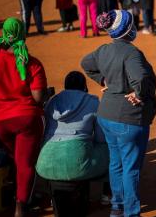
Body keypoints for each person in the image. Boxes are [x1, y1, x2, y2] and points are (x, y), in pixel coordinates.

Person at [82, 10, 156, 217]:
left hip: (107, 115)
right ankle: (131, 212)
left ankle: (117, 207)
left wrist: (103, 81)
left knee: (116, 162)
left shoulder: (104, 49)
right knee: (131, 167)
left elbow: (85, 64)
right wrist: (139, 94)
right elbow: (141, 78)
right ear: (127, 29)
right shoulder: (132, 53)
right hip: (129, 119)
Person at [36, 71, 108, 217]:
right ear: (84, 87)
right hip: (78, 165)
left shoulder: (52, 101)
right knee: (109, 148)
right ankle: (108, 194)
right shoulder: (93, 102)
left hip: (46, 163)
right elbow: (101, 139)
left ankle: (53, 199)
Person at [0, 18, 46, 217]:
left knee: (15, 159)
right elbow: (38, 98)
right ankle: (21, 206)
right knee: (25, 164)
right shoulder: (31, 62)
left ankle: (15, 194)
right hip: (26, 120)